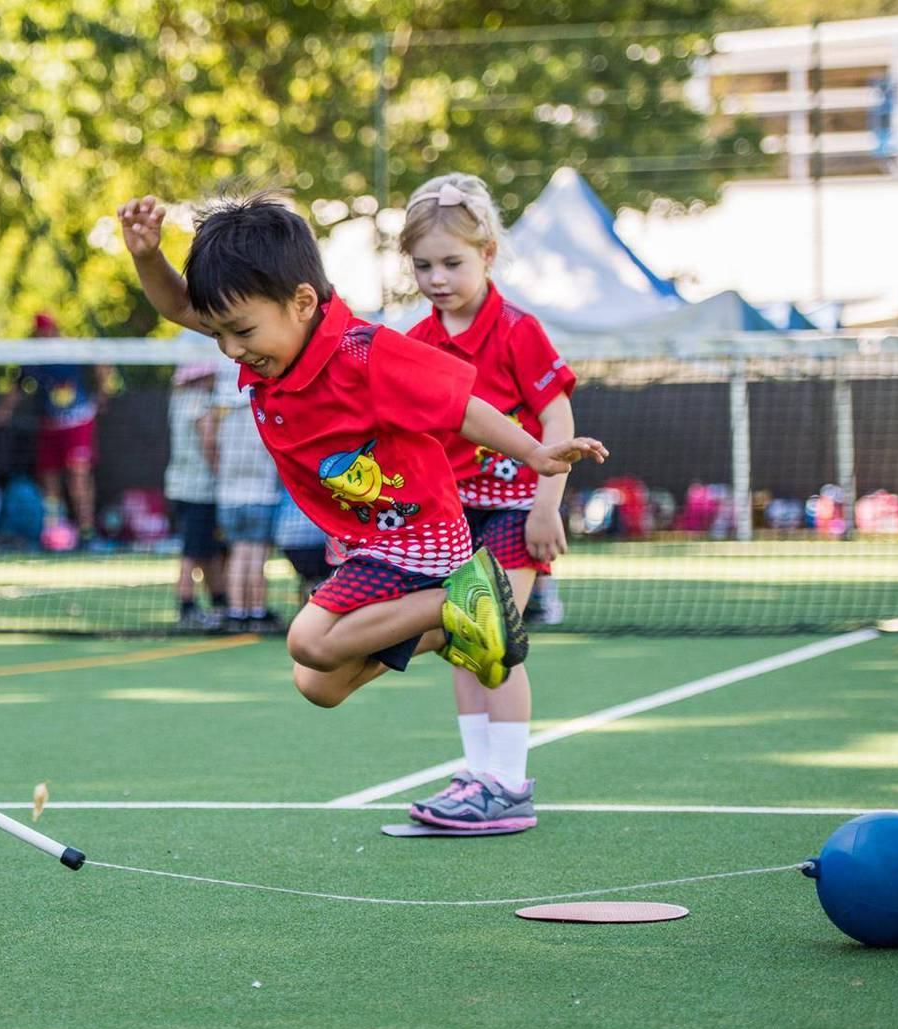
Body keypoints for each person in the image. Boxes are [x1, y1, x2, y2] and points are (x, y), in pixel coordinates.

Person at [116, 191, 607, 710]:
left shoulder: (363, 353)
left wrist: (534, 453)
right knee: (318, 683)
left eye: (240, 332)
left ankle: (465, 596)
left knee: (307, 640)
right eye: (218, 335)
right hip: (368, 540)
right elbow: (177, 305)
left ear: (303, 303)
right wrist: (148, 255)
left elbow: (461, 407)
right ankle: (454, 626)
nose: (232, 349)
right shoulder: (269, 341)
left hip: (417, 536)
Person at [400, 174, 577, 831]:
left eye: (452, 262)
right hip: (449, 517)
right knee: (458, 640)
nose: (437, 278)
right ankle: (479, 774)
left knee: (488, 632)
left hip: (512, 510)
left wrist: (545, 506)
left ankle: (508, 782)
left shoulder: (517, 331)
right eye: (423, 265)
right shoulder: (415, 342)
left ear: (487, 256)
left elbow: (558, 425)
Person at [0, 314, 111, 545]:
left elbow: (102, 362)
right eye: (39, 332)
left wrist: (103, 395)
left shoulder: (72, 349)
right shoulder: (33, 358)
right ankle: (56, 532)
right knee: (49, 480)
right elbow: (17, 387)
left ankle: (87, 532)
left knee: (79, 476)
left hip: (78, 423)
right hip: (50, 425)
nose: (43, 335)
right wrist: (3, 411)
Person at [202, 354, 282, 634]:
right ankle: (256, 610)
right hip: (260, 496)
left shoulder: (223, 421)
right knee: (256, 555)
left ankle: (237, 611)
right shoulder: (261, 416)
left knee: (238, 554)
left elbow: (212, 450)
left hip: (229, 498)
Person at [163, 359, 226, 631]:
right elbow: (208, 442)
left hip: (178, 485)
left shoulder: (177, 401)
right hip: (199, 489)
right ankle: (186, 605)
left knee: (207, 550)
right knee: (192, 550)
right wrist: (221, 471)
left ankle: (219, 601)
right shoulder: (200, 403)